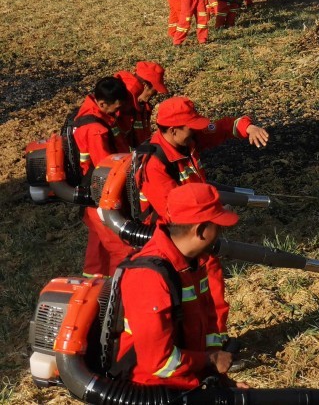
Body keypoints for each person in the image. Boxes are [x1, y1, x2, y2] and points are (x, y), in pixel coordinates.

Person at [135, 96, 269, 332]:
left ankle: (214, 341)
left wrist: (247, 127)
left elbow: (222, 127)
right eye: (190, 127)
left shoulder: (187, 139)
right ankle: (212, 345)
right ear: (173, 130)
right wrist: (215, 214)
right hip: (181, 239)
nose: (196, 130)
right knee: (205, 291)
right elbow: (175, 215)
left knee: (210, 288)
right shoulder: (154, 165)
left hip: (200, 229)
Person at [117, 183, 247, 389]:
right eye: (218, 226)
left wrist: (219, 379)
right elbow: (158, 363)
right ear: (202, 231)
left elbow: (208, 322)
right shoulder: (149, 278)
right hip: (154, 388)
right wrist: (210, 359)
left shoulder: (194, 262)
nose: (220, 233)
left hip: (188, 378)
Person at [72, 76, 133, 277]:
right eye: (115, 108)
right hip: (101, 193)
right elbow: (106, 168)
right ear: (102, 103)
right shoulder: (95, 130)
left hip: (91, 196)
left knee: (98, 245)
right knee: (120, 246)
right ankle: (121, 285)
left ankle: (94, 282)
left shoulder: (93, 114)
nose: (117, 113)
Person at [114, 61, 169, 147]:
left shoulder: (142, 106)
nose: (156, 94)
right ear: (145, 85)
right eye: (155, 90)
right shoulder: (123, 106)